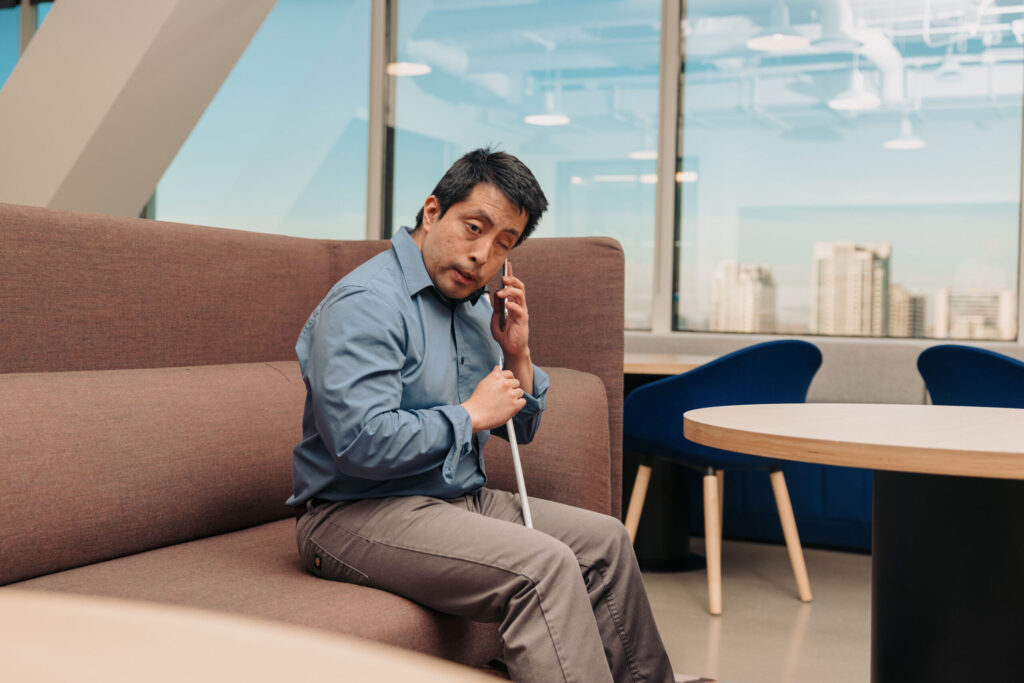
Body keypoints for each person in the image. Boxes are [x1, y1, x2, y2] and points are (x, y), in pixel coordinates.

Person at [288, 148, 676, 682]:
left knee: (607, 541)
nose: (482, 256)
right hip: (354, 512)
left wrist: (517, 353)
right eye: (474, 228)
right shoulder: (366, 302)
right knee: (544, 567)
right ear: (431, 213)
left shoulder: (473, 310)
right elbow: (359, 442)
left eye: (503, 244)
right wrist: (468, 415)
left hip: (456, 501)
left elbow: (520, 428)